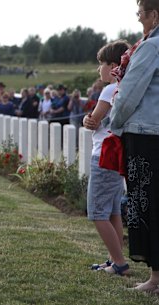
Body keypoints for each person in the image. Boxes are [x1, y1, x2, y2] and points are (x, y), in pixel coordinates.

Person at [109, 0, 159, 293]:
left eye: (140, 14)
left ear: (154, 14)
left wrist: (115, 125)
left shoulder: (151, 47)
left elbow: (129, 94)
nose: (139, 19)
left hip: (146, 135)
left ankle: (156, 279)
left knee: (148, 205)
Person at [83, 40, 131, 276]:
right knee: (113, 212)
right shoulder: (125, 87)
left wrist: (86, 120)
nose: (98, 69)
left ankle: (119, 262)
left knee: (96, 212)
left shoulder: (109, 89)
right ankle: (114, 259)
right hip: (115, 156)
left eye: (101, 64)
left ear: (113, 66)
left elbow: (94, 120)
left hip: (102, 154)